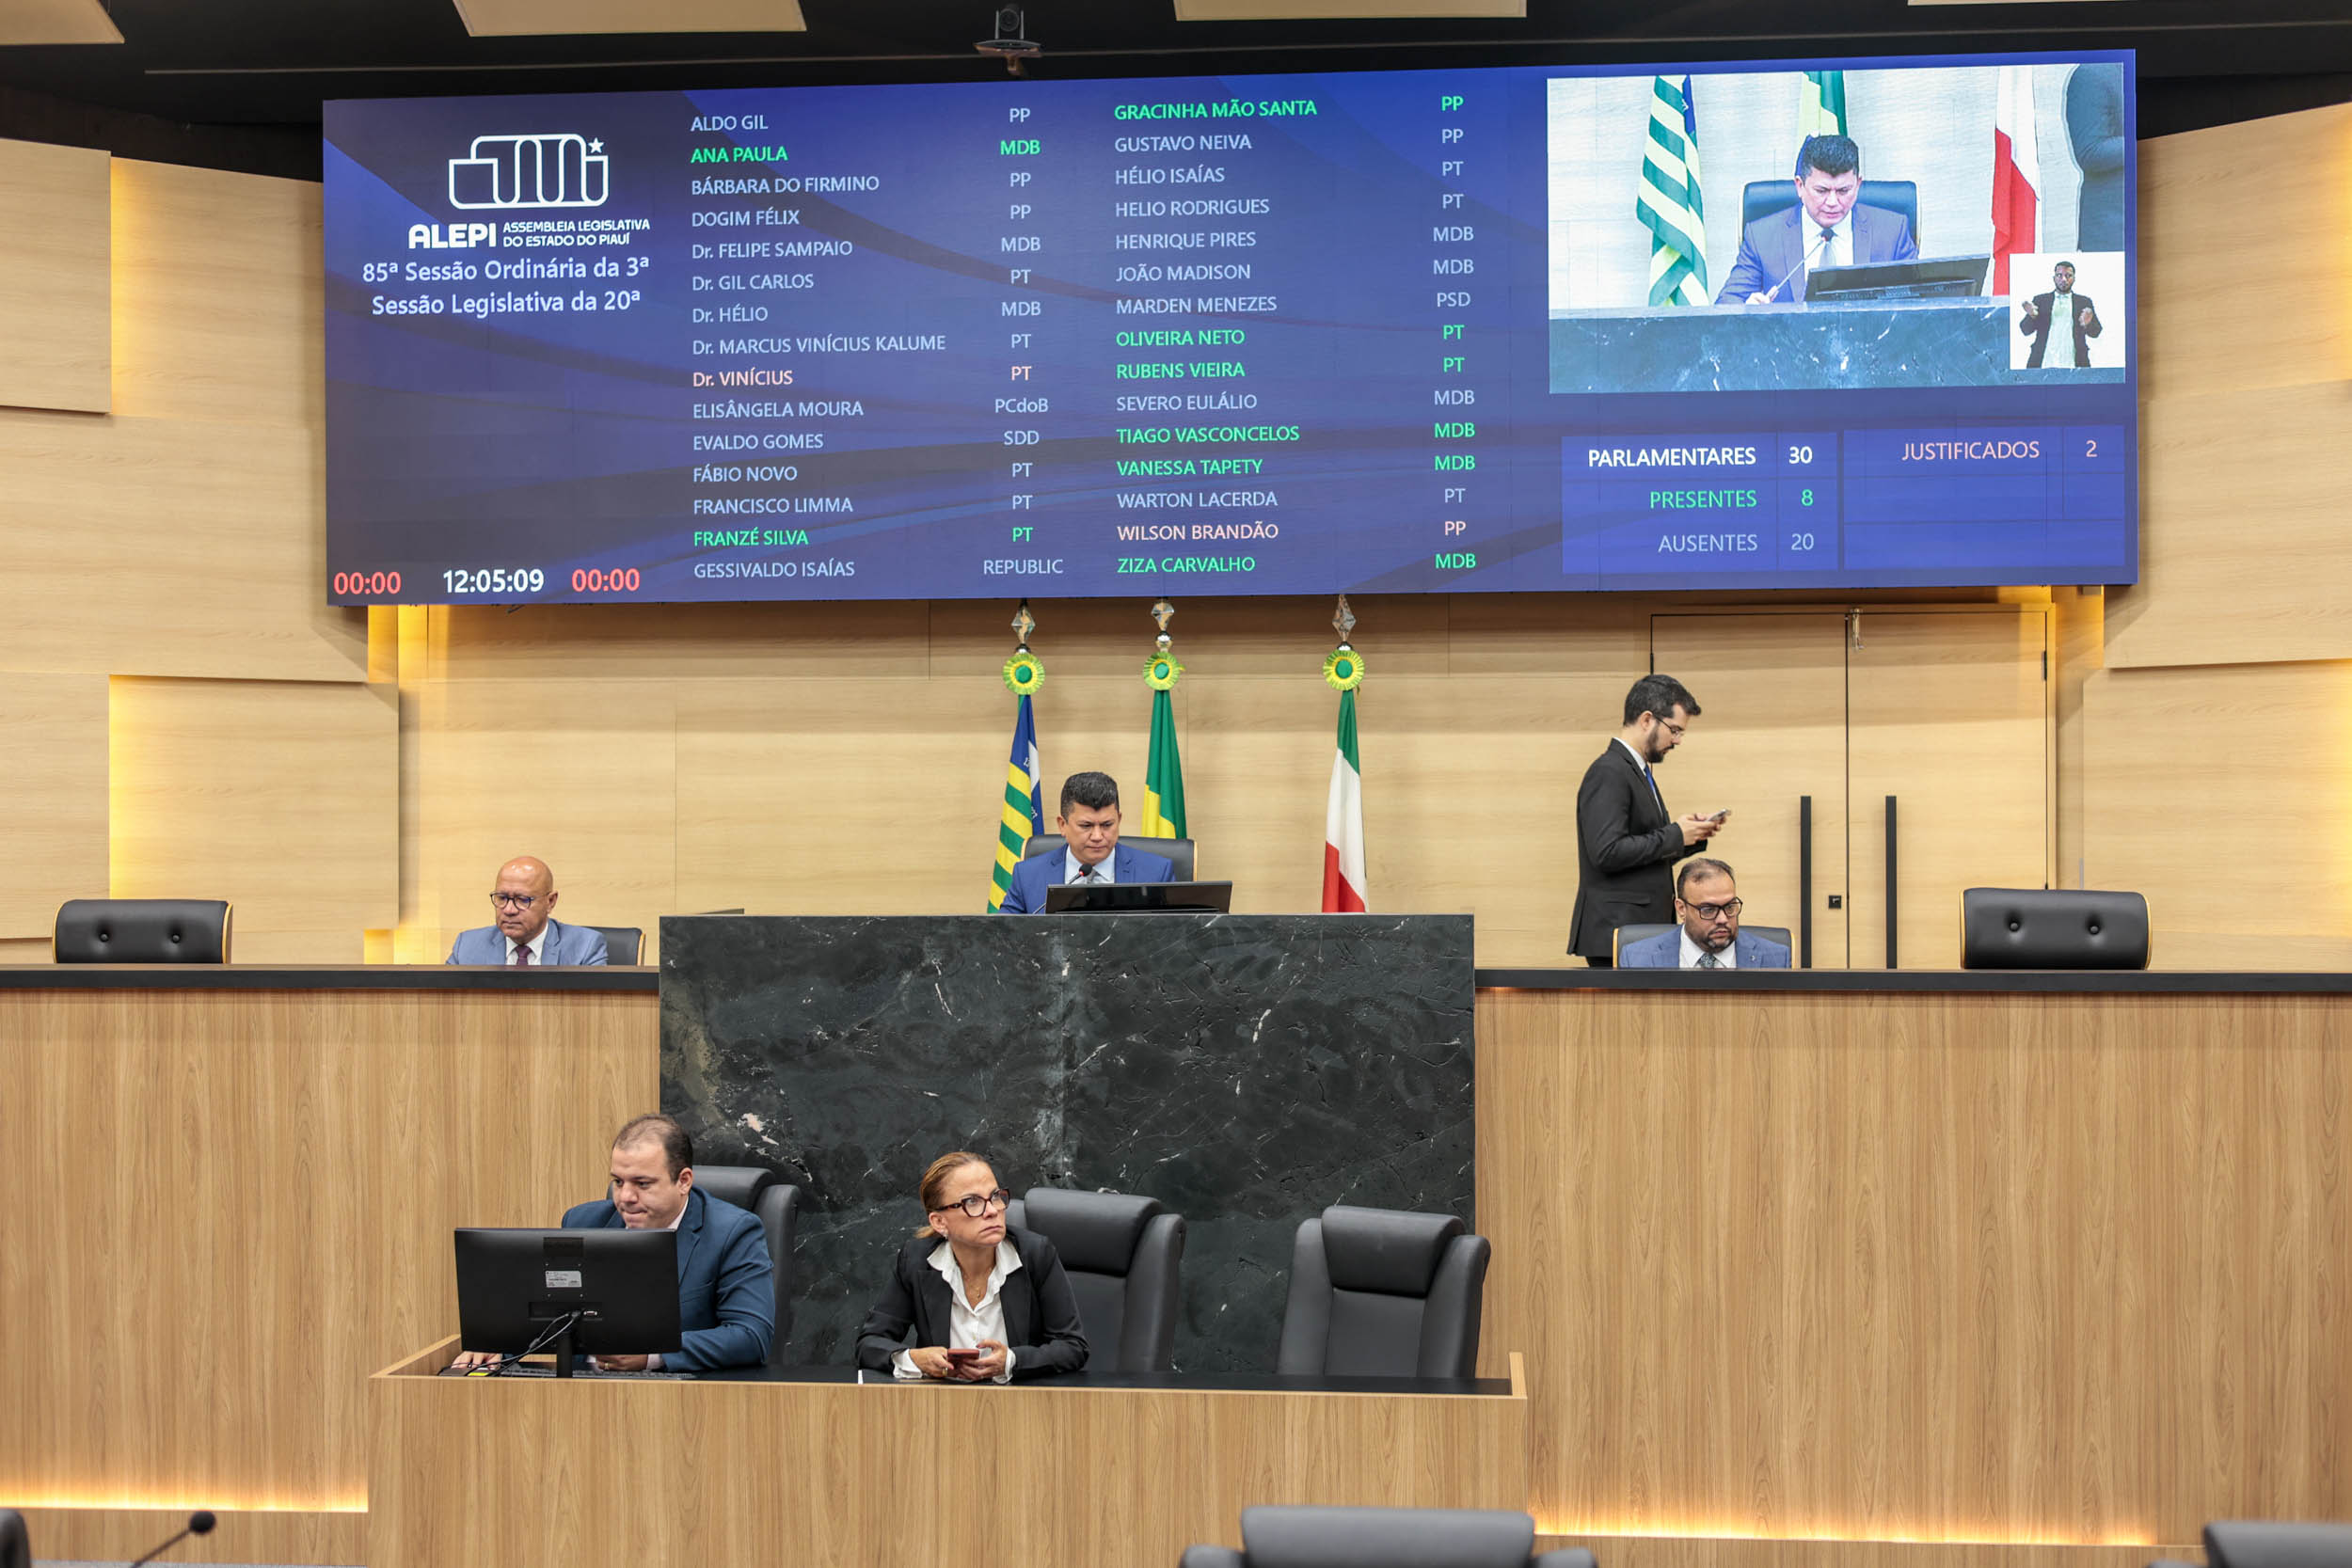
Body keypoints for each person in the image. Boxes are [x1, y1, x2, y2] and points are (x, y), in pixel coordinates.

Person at [452, 1114, 775, 1372]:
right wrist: (499, 1345)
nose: (625, 1197)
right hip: (582, 1398)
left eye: (642, 1184)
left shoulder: (733, 1232)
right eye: (618, 1182)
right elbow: (551, 1318)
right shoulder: (582, 1222)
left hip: (683, 1404)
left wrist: (650, 1356)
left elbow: (751, 1336)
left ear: (683, 1181)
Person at [853, 1152, 1089, 1382]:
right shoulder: (916, 1261)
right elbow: (869, 1344)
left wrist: (1011, 1361)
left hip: (1020, 1402)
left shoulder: (1035, 1255)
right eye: (972, 1202)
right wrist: (915, 1359)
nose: (992, 1211)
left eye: (995, 1196)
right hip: (941, 1401)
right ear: (939, 1222)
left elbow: (1073, 1346)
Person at [1568, 673, 1721, 967]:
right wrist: (1675, 834)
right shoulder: (1610, 771)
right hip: (1618, 933)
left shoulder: (1636, 770)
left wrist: (1690, 836)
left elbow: (1641, 852)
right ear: (1647, 719)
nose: (1676, 740)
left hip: (1635, 930)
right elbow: (1606, 852)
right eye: (1674, 730)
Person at [1716, 134, 1919, 306]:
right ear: (1800, 186)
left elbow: (1921, 303)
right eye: (1821, 191)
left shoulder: (1893, 231)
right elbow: (1726, 306)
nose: (1832, 202)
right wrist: (1747, 312)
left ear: (1858, 185)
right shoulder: (1761, 237)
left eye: (1843, 191)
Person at [995, 771, 1174, 913]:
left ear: (1119, 820)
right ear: (1062, 825)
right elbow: (1002, 935)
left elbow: (1174, 938)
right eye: (1086, 826)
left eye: (1107, 825)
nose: (1097, 836)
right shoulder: (1027, 875)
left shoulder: (1156, 873)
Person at [1616, 858, 1792, 969]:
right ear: (1681, 909)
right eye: (1709, 910)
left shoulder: (1776, 958)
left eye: (1730, 907)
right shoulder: (1638, 959)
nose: (1723, 919)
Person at [445, 855, 608, 965]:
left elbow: (593, 1007)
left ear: (550, 901)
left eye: (522, 900)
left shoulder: (585, 947)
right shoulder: (467, 947)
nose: (509, 910)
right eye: (502, 898)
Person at [2018, 260, 2103, 369]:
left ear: (2074, 279)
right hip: (2043, 363)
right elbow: (2025, 330)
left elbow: (2096, 333)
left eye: (2068, 276)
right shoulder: (2041, 300)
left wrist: (2087, 324)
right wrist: (2032, 316)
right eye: (2059, 275)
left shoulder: (2084, 302)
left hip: (2075, 364)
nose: (2064, 279)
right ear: (2054, 278)